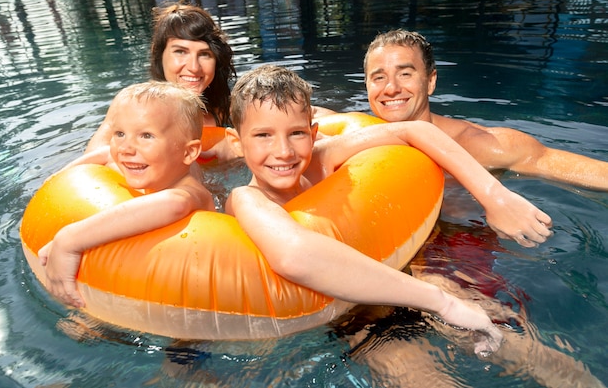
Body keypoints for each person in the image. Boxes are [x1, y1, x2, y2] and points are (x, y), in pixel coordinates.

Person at [223, 64, 554, 355]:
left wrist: (495, 196)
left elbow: (415, 131)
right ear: (237, 143)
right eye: (263, 135)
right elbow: (295, 255)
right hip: (354, 316)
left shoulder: (321, 158)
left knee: (526, 351)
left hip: (406, 273)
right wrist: (442, 302)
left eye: (295, 133)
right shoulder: (246, 199)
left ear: (312, 133)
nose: (283, 151)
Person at [38, 81, 216, 308]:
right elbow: (106, 154)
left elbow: (174, 204)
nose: (126, 148)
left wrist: (68, 240)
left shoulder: (191, 191)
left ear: (189, 151)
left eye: (146, 136)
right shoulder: (137, 161)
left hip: (192, 289)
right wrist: (60, 177)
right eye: (120, 133)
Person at [362, 28, 608, 191]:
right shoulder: (352, 137)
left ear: (431, 81)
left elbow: (586, 171)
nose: (391, 88)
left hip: (460, 245)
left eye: (405, 74)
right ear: (367, 86)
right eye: (379, 77)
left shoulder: (480, 145)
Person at [85, 3, 236, 160]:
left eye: (204, 54)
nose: (194, 67)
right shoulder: (131, 105)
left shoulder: (230, 111)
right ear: (159, 55)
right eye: (180, 52)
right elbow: (92, 163)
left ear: (217, 60)